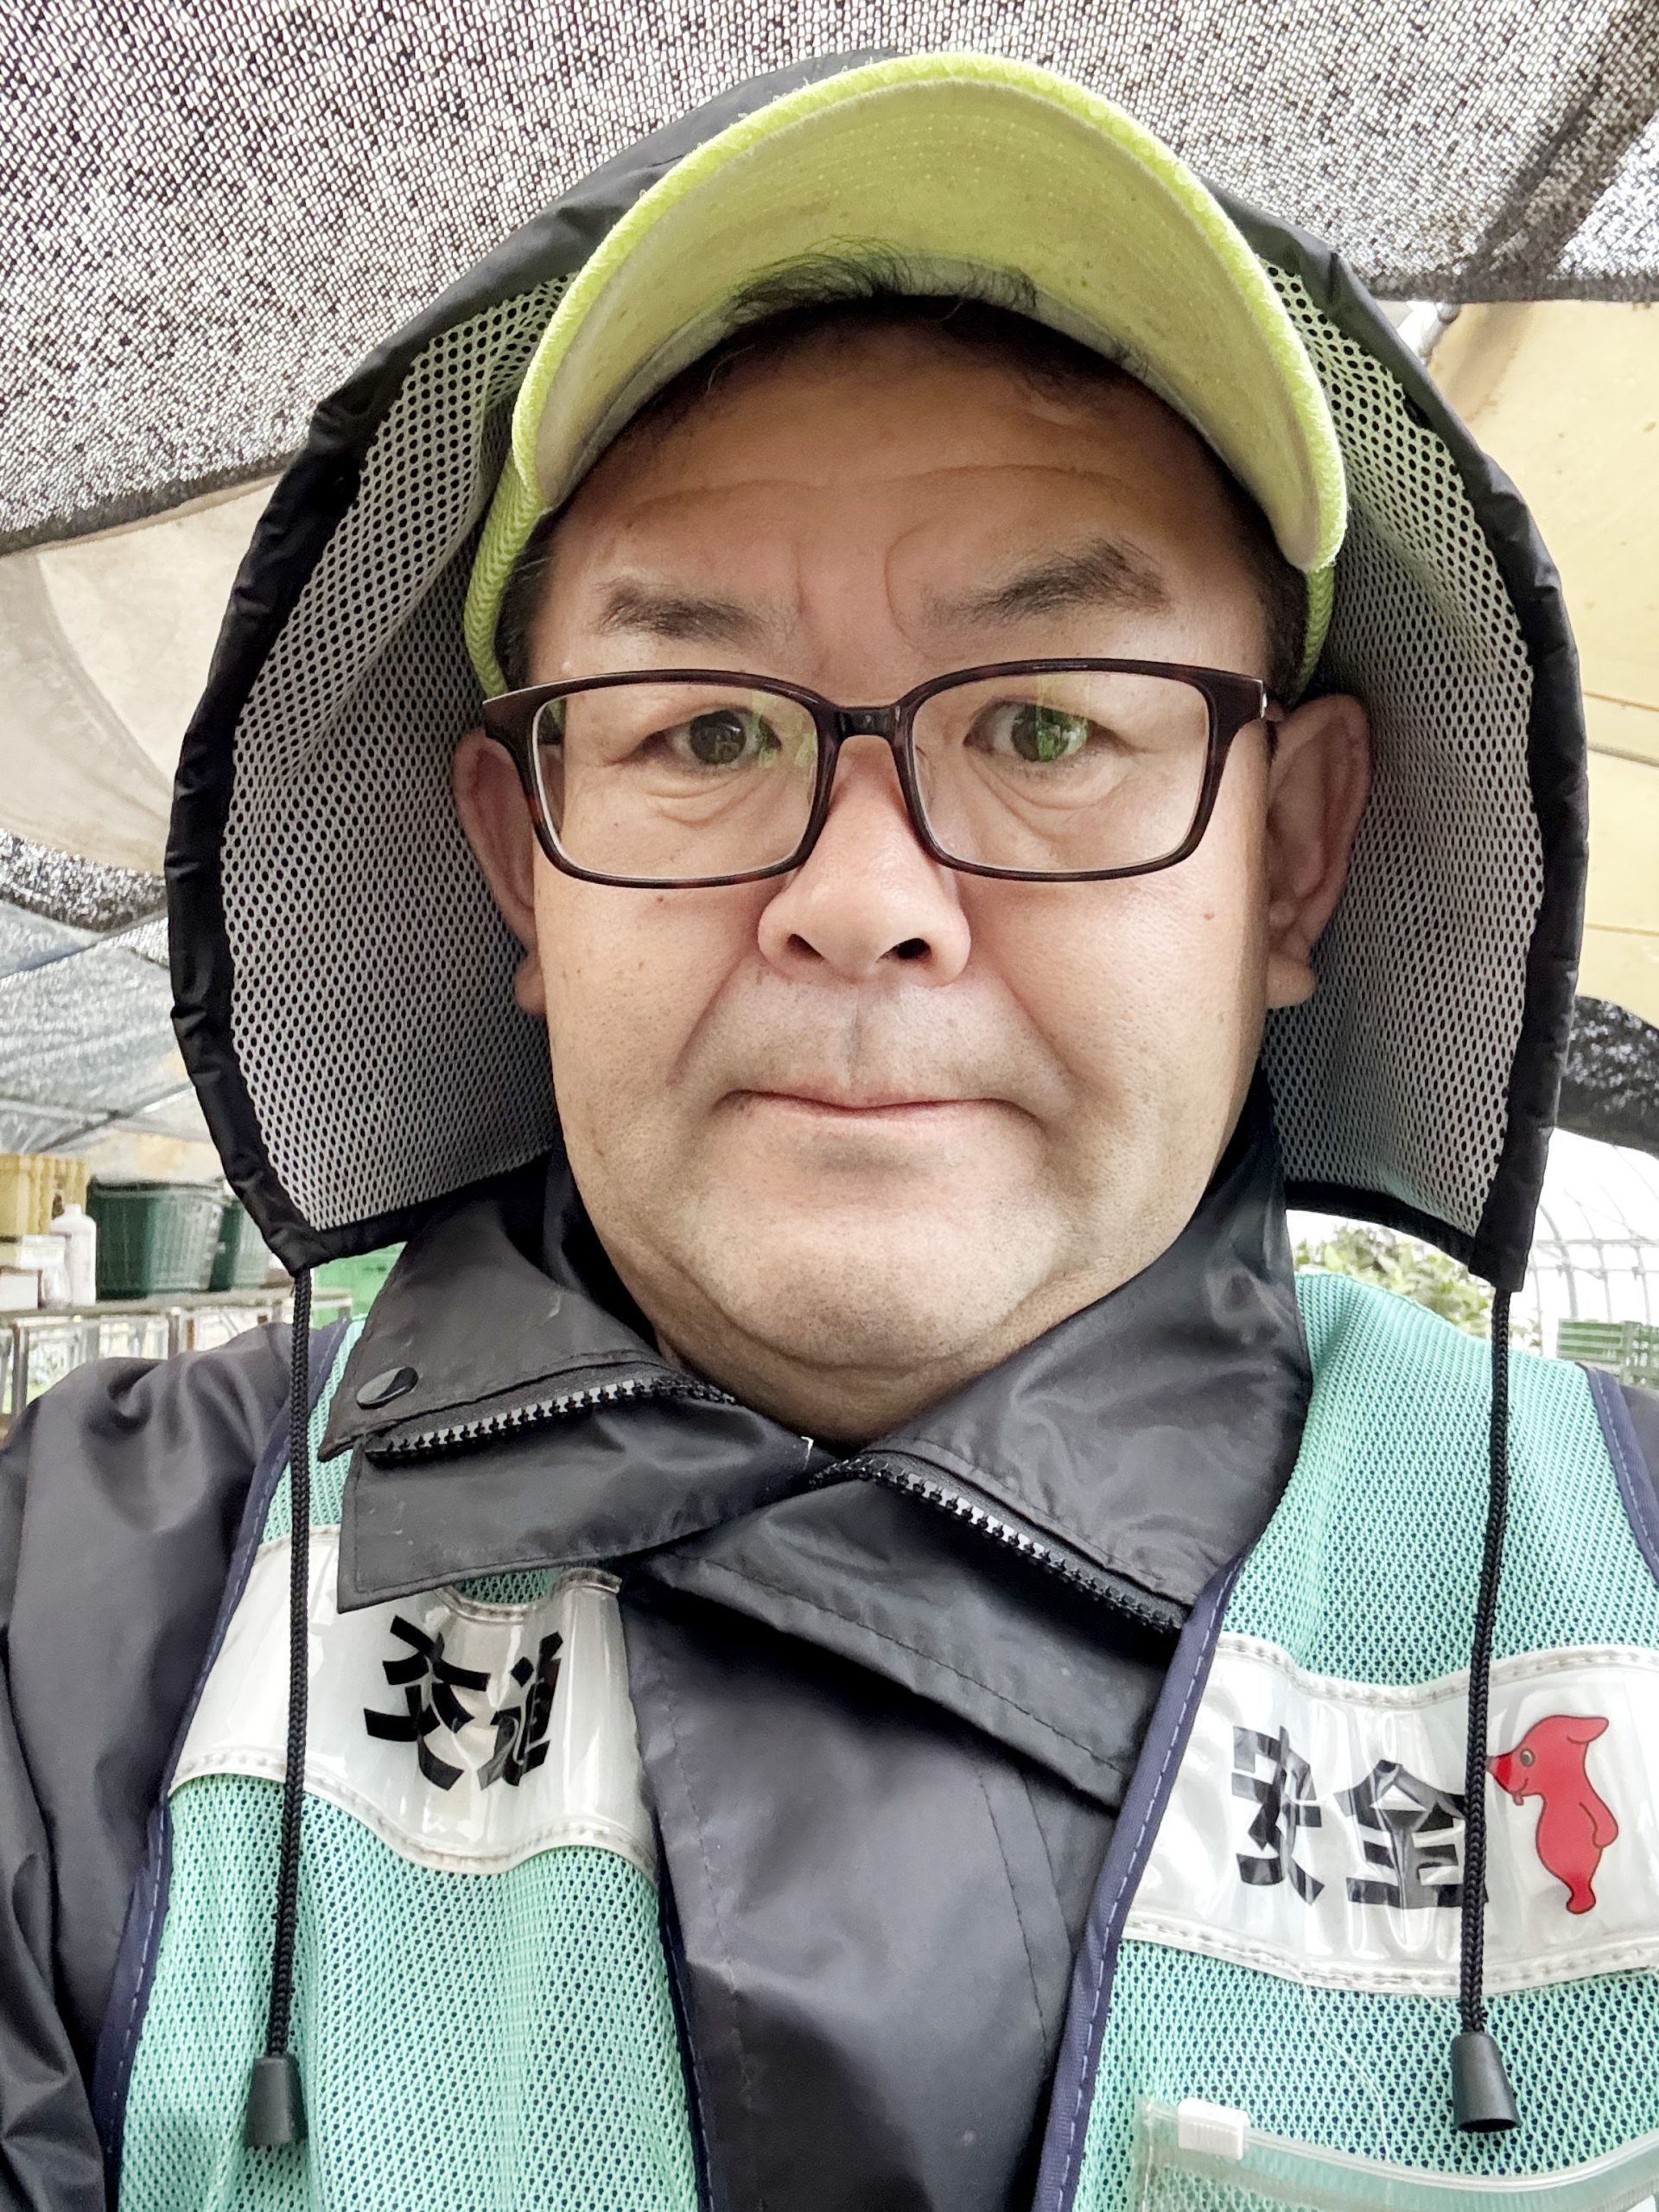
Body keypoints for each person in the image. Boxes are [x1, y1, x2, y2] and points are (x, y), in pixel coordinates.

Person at [3, 50, 1657, 2212]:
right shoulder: (79, 1618)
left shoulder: (1621, 1573)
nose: (862, 897)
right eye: (702, 730)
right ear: (523, 864)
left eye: (1046, 722)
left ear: (1294, 856)